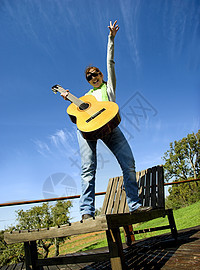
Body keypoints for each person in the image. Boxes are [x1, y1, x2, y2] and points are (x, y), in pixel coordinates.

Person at [61, 20, 152, 220]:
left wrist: (111, 39)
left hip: (110, 127)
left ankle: (134, 205)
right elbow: (76, 110)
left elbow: (110, 63)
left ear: (102, 75)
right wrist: (68, 97)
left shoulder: (108, 87)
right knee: (88, 168)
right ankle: (86, 211)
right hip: (87, 131)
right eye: (89, 76)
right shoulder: (86, 96)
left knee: (128, 163)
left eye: (96, 73)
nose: (93, 77)